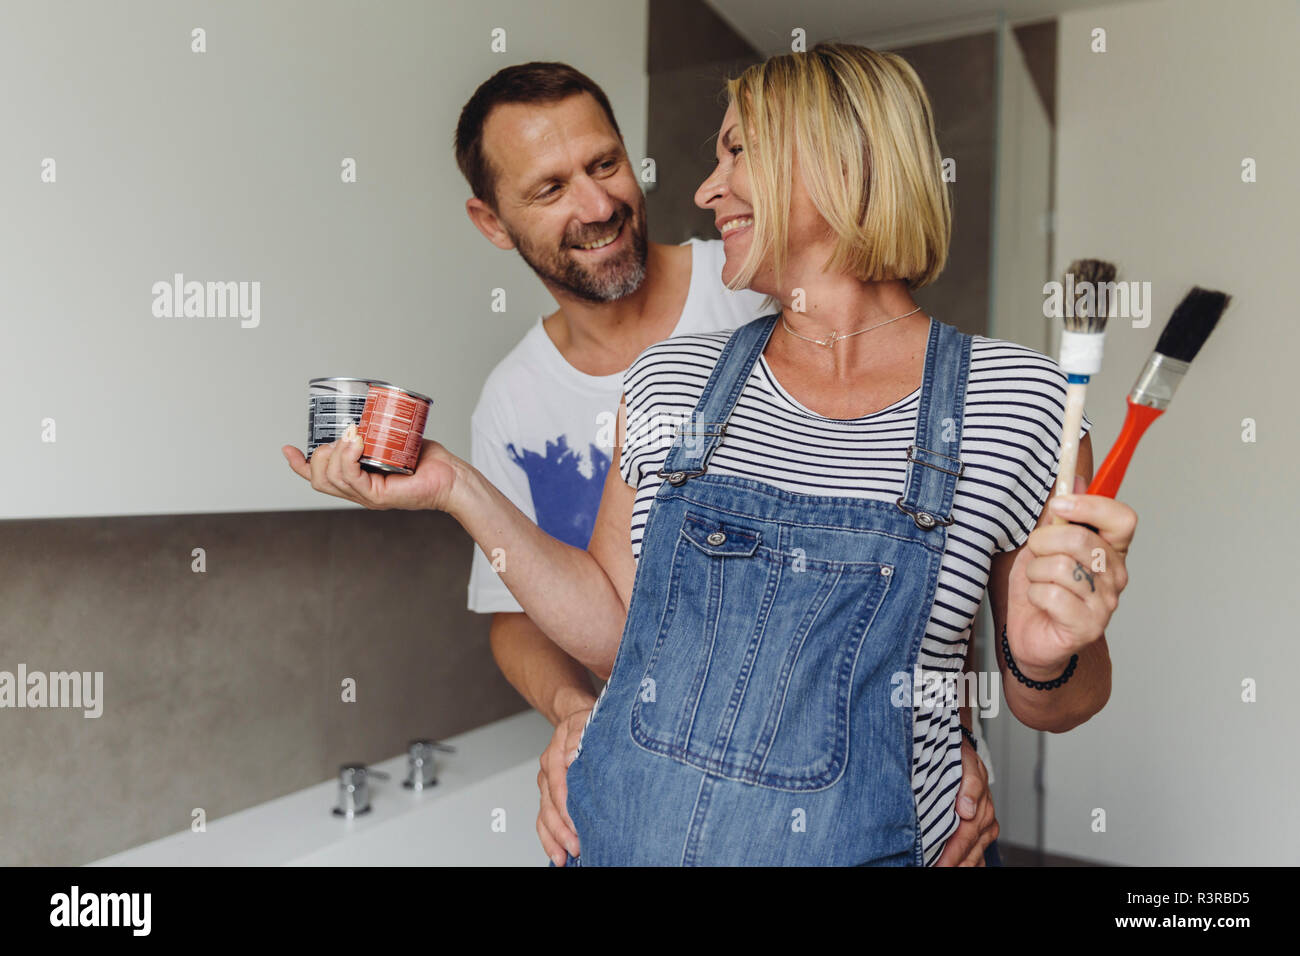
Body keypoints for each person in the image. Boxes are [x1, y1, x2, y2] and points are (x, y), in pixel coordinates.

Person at [285, 44, 1135, 865]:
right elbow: (621, 633)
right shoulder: (667, 382)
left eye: (737, 151)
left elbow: (1057, 700)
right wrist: (453, 487)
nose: (704, 188)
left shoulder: (1020, 406)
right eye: (550, 186)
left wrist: (1045, 656)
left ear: (838, 166)